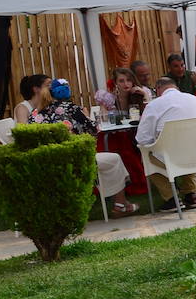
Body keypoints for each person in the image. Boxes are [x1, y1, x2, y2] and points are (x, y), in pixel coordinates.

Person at [24, 75, 139, 217]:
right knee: (114, 159)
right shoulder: (71, 108)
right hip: (73, 160)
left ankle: (120, 203)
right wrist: (86, 115)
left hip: (45, 162)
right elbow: (93, 130)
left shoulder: (34, 113)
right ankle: (120, 205)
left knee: (109, 161)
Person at [137, 77, 196, 211]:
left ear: (158, 89)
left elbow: (142, 138)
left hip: (172, 157)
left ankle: (171, 198)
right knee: (188, 144)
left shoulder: (154, 105)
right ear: (176, 87)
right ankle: (191, 194)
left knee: (146, 156)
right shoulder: (195, 99)